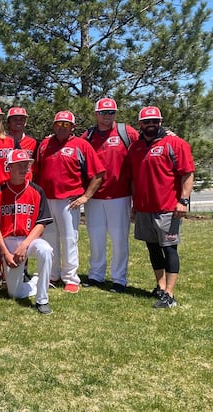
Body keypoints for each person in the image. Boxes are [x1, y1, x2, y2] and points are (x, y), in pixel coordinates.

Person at [127, 106, 194, 308]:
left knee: (170, 249)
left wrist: (183, 201)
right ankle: (160, 286)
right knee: (153, 248)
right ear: (140, 124)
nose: (151, 125)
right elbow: (133, 179)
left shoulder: (175, 143)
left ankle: (170, 295)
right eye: (147, 122)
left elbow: (188, 174)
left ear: (160, 122)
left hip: (167, 208)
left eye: (155, 121)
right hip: (144, 209)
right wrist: (135, 204)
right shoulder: (135, 148)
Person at [33, 111, 105, 293]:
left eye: (66, 124)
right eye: (59, 123)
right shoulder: (44, 145)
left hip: (69, 200)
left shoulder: (81, 145)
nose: (62, 127)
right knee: (49, 239)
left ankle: (71, 277)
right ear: (53, 125)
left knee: (69, 239)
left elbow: (98, 173)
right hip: (47, 199)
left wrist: (86, 196)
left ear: (73, 127)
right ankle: (52, 274)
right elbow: (36, 172)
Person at [78, 98, 139, 292]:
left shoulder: (126, 132)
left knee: (119, 239)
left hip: (119, 195)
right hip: (94, 196)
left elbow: (146, 145)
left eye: (111, 112)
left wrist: (166, 135)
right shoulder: (87, 135)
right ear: (96, 114)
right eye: (103, 112)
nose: (107, 116)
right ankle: (96, 275)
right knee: (96, 238)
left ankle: (119, 279)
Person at [0, 150, 54, 314]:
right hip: (7, 242)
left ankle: (42, 299)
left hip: (30, 240)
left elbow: (41, 223)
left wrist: (25, 245)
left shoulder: (37, 191)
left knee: (46, 250)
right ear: (9, 168)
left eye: (26, 164)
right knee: (14, 294)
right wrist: (5, 253)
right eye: (19, 165)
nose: (24, 168)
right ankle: (36, 281)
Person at [5, 107, 38, 181]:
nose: (18, 122)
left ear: (25, 122)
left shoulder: (33, 142)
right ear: (8, 123)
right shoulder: (1, 141)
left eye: (21, 119)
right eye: (14, 119)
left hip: (27, 185)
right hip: (6, 185)